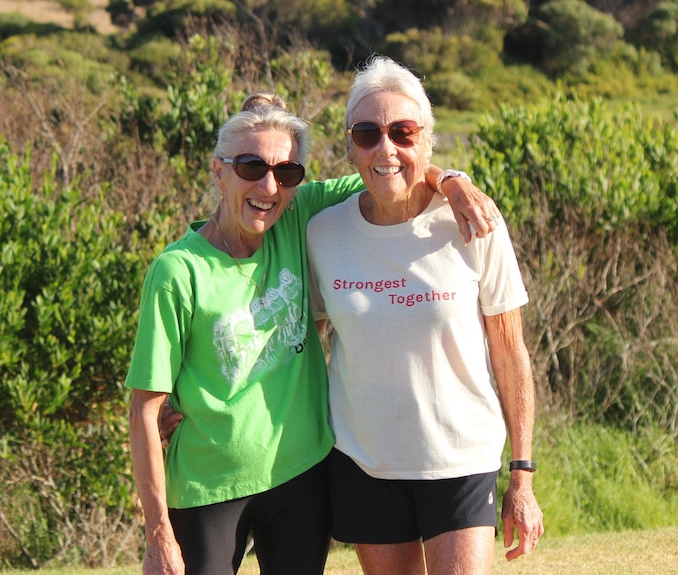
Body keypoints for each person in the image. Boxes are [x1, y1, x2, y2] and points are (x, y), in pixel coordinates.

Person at [127, 92, 502, 575]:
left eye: (286, 172)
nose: (268, 186)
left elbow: (387, 166)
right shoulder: (177, 272)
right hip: (207, 486)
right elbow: (143, 406)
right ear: (218, 172)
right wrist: (157, 533)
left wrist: (451, 181)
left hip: (300, 479)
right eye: (249, 167)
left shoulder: (296, 213)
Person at [306, 56, 544, 575]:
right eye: (366, 133)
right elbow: (296, 341)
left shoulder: (473, 220)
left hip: (461, 459)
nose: (385, 148)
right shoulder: (322, 234)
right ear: (349, 146)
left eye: (403, 132)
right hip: (363, 462)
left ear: (428, 141)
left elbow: (511, 353)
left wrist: (521, 477)